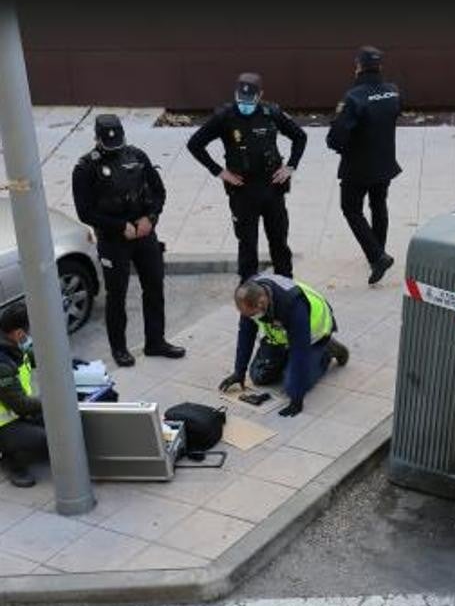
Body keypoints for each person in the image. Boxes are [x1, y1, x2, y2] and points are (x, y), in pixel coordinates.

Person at [72, 114, 186, 367]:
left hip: (144, 234)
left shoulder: (137, 156)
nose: (115, 147)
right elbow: (85, 212)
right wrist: (119, 226)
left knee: (154, 287)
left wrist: (151, 218)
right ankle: (119, 349)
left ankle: (155, 342)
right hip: (113, 240)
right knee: (117, 295)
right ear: (97, 139)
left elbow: (159, 192)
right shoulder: (85, 168)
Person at [187, 72, 307, 282]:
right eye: (241, 101)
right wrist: (219, 171)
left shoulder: (271, 113)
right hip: (242, 189)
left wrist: (290, 166)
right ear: (235, 95)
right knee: (247, 242)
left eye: (250, 102)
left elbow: (300, 137)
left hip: (272, 186)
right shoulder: (225, 117)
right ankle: (248, 285)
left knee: (279, 239)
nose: (245, 106)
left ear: (260, 96)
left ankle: (285, 281)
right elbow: (195, 144)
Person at [219, 274, 349, 417]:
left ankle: (327, 351)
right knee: (258, 376)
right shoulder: (250, 296)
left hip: (312, 337)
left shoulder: (293, 305)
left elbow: (300, 351)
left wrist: (296, 399)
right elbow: (245, 335)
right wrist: (239, 372)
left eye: (252, 315)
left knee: (291, 386)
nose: (250, 318)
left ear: (262, 303)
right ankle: (287, 359)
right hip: (282, 338)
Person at [327, 46, 402, 284]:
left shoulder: (353, 98)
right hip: (385, 162)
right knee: (378, 205)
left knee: (350, 208)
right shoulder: (393, 92)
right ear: (380, 67)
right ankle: (378, 251)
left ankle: (377, 257)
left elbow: (336, 138)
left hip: (358, 167)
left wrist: (341, 146)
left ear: (358, 67)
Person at [0, 304, 46, 487]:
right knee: (44, 437)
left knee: (57, 423)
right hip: (5, 424)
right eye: (28, 330)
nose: (29, 335)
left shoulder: (10, 346)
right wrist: (51, 403)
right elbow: (20, 405)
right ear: (19, 332)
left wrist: (64, 360)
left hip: (16, 415)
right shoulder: (2, 363)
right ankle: (13, 462)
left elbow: (31, 357)